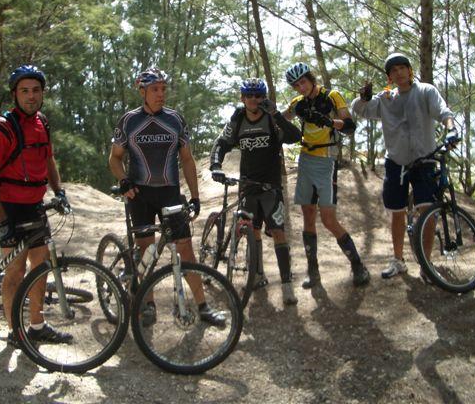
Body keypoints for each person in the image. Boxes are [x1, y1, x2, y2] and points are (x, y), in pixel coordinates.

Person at [109, 67, 224, 326]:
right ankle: (147, 304)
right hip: (140, 194)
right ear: (142, 91)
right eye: (155, 89)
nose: (161, 94)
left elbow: (187, 159)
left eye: (163, 89)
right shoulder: (129, 120)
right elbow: (115, 159)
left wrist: (195, 197)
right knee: (147, 250)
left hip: (170, 192)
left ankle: (203, 306)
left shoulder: (175, 119)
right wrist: (123, 180)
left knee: (185, 249)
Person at [0, 64, 72, 347]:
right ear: (15, 94)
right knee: (16, 272)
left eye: (36, 91)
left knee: (40, 266)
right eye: (24, 91)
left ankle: (37, 325)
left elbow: (48, 159)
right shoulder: (2, 128)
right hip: (11, 207)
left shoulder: (42, 122)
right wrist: (2, 221)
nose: (31, 96)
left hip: (35, 205)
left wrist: (59, 191)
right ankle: (15, 331)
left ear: (42, 93)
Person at [351, 52, 458, 280]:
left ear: (410, 71)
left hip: (424, 159)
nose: (398, 72)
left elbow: (443, 112)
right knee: (397, 212)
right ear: (389, 77)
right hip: (396, 162)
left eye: (402, 68)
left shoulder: (426, 91)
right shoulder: (386, 98)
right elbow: (359, 109)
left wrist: (452, 129)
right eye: (393, 70)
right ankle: (398, 260)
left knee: (427, 212)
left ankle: (426, 264)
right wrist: (364, 97)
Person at [210, 78, 302, 305]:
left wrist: (277, 114)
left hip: (271, 186)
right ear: (242, 98)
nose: (254, 99)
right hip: (248, 185)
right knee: (254, 230)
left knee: (278, 231)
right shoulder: (238, 120)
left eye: (258, 95)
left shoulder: (271, 120)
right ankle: (258, 274)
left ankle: (286, 283)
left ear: (264, 98)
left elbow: (294, 136)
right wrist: (215, 165)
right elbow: (222, 142)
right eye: (249, 96)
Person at [282, 62, 370, 289]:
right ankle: (313, 272)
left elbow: (350, 127)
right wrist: (266, 110)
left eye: (302, 82)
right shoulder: (298, 103)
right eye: (296, 85)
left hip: (326, 161)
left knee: (329, 220)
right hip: (305, 160)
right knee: (308, 215)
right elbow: (280, 121)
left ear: (311, 78)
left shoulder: (332, 96)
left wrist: (329, 121)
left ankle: (358, 265)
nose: (300, 88)